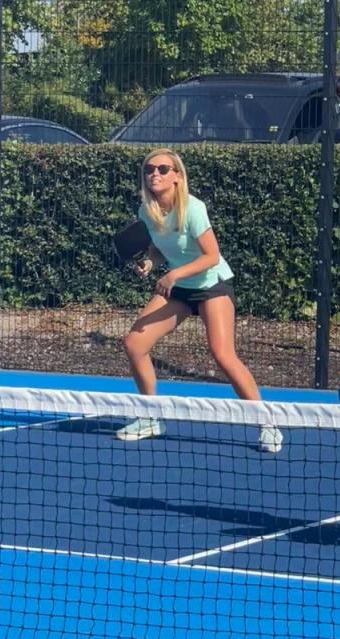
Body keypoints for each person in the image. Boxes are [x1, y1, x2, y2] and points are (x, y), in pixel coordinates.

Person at [117, 148, 283, 454]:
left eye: (163, 169)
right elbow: (157, 246)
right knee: (134, 344)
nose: (155, 174)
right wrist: (152, 264)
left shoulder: (193, 209)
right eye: (149, 169)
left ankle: (267, 423)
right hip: (179, 287)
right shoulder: (147, 211)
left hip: (211, 284)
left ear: (177, 176)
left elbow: (212, 256)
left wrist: (173, 274)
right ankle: (151, 417)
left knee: (222, 354)